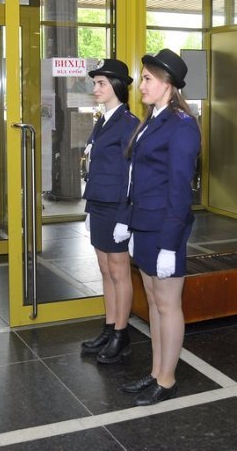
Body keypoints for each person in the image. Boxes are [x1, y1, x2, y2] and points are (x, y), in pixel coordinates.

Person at [115, 49, 200, 406]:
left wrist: (169, 244)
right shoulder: (152, 120)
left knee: (168, 305)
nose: (142, 85)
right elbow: (137, 177)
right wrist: (129, 221)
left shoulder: (181, 125)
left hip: (166, 227)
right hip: (146, 224)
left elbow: (180, 189)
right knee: (153, 302)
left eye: (148, 79)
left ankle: (167, 379)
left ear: (168, 84)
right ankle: (155, 372)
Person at [79, 60, 140, 363]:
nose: (96, 88)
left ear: (117, 86)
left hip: (116, 207)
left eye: (101, 83)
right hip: (99, 203)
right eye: (95, 83)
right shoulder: (104, 119)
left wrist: (124, 217)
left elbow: (131, 175)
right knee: (105, 269)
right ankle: (109, 325)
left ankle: (121, 333)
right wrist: (90, 209)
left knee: (119, 271)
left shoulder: (129, 123)